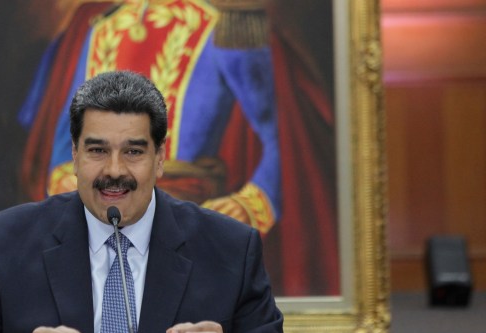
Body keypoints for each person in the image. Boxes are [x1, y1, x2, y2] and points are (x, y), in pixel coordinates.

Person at [0, 71, 299, 333]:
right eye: (97, 150)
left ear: (159, 158)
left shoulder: (228, 247)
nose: (114, 170)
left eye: (133, 151)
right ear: (74, 156)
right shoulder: (8, 239)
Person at [18, 0, 340, 296]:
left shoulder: (227, 28)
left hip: (186, 219)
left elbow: (280, 139)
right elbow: (66, 146)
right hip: (101, 216)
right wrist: (68, 184)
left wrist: (246, 205)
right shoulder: (100, 28)